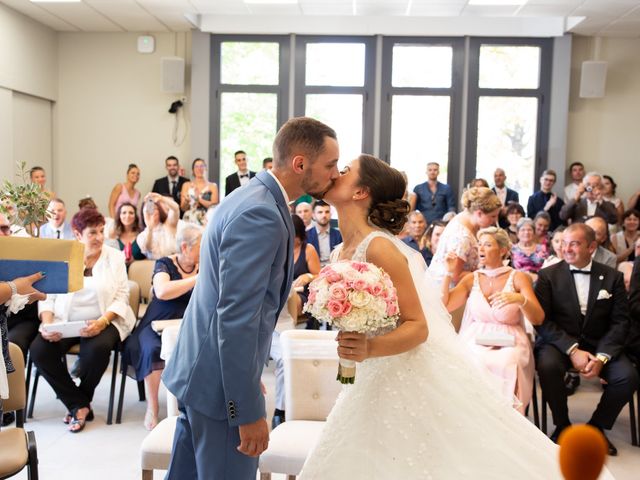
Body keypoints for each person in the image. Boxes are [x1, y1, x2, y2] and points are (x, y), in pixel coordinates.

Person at [299, 154, 602, 480]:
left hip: (400, 367)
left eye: (344, 171)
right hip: (370, 372)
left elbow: (419, 327)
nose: (335, 174)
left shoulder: (379, 247)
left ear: (361, 192)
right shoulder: (342, 249)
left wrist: (369, 348)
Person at [162, 117, 340, 479]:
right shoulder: (261, 214)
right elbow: (237, 316)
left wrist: (245, 375)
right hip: (215, 388)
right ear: (300, 163)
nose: (335, 174)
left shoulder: (253, 197)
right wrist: (243, 407)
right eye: (330, 165)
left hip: (206, 373)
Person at [534, 223, 639, 455]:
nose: (566, 249)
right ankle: (562, 426)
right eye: (563, 243)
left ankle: (596, 427)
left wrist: (602, 357)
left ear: (592, 247)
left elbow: (621, 322)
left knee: (627, 377)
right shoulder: (547, 276)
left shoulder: (612, 277)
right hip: (560, 343)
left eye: (574, 243)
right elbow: (542, 321)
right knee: (547, 366)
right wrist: (572, 349)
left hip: (601, 344)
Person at [31, 208, 136, 433]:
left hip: (105, 318)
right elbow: (48, 296)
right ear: (77, 235)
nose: (99, 237)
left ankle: (78, 404)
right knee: (39, 350)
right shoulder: (63, 256)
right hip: (65, 320)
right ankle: (79, 404)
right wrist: (48, 324)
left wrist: (102, 322)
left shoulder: (114, 257)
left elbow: (121, 297)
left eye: (101, 231)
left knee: (97, 350)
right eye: (92, 233)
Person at [440, 227, 544, 414]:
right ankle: (472, 416)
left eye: (488, 244)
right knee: (468, 360)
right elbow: (444, 306)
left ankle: (505, 418)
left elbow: (538, 318)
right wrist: (448, 274)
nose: (481, 248)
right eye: (480, 244)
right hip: (476, 337)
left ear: (503, 250)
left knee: (506, 362)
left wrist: (520, 300)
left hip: (510, 339)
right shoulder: (472, 279)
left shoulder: (519, 277)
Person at [121, 225, 202, 430]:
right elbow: (163, 291)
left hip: (187, 322)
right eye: (200, 246)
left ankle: (193, 406)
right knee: (152, 349)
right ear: (185, 247)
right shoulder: (165, 263)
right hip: (158, 320)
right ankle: (153, 407)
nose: (204, 250)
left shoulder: (204, 264)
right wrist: (196, 280)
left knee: (200, 349)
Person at [429, 187, 501, 286]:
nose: (495, 220)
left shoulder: (463, 217)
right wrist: (486, 275)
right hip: (446, 290)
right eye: (492, 216)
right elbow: (455, 275)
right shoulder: (462, 237)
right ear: (479, 213)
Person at [287, 214, 321, 324]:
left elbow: (321, 277)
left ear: (300, 235)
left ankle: (288, 329)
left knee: (291, 299)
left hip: (303, 295)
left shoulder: (308, 250)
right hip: (283, 293)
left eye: (293, 236)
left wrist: (308, 276)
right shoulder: (279, 249)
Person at [137, 193, 180, 260]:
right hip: (154, 267)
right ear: (143, 214)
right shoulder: (141, 236)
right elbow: (148, 247)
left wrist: (161, 198)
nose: (151, 212)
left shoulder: (168, 225)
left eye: (155, 208)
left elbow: (175, 209)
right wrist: (150, 228)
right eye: (147, 210)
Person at [104, 202, 146, 266]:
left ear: (135, 216)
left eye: (131, 213)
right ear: (119, 216)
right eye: (124, 213)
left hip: (138, 272)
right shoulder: (113, 236)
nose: (127, 216)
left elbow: (149, 259)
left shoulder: (142, 236)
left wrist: (134, 261)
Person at [180, 158, 219, 225]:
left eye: (202, 166)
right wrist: (186, 200)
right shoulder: (186, 185)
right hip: (189, 218)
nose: (199, 169)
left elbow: (214, 206)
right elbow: (183, 208)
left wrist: (198, 198)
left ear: (206, 168)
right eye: (196, 166)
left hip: (206, 219)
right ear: (193, 170)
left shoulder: (213, 186)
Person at [306, 199, 342, 267]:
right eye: (320, 212)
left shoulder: (339, 235)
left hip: (335, 270)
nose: (324, 215)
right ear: (313, 215)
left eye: (327, 212)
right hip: (314, 272)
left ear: (330, 214)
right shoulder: (306, 235)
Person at [511, 218, 548, 282]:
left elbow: (547, 269)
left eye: (529, 230)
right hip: (518, 282)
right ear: (517, 233)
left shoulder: (542, 248)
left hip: (540, 283)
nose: (526, 232)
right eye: (523, 230)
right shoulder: (512, 250)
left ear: (534, 232)